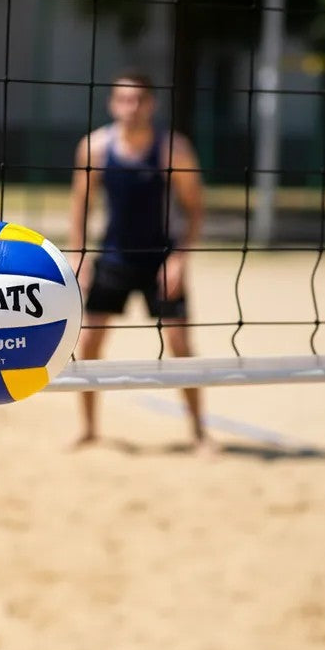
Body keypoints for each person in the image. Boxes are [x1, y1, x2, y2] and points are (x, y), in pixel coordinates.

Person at [69, 71, 210, 450]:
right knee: (88, 345)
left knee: (179, 345)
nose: (130, 108)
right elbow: (79, 205)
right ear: (112, 104)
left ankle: (199, 434)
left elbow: (195, 209)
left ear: (151, 104)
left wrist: (180, 259)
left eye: (138, 100)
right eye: (123, 100)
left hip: (160, 259)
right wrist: (79, 255)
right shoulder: (95, 147)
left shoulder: (172, 149)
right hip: (113, 257)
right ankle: (88, 430)